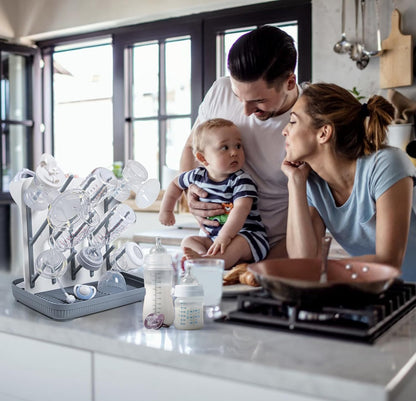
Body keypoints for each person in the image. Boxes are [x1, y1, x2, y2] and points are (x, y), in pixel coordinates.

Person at [179, 25, 299, 259]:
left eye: (259, 100)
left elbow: (315, 214)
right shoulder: (220, 90)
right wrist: (190, 192)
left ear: (290, 82)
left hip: (274, 250)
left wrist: (261, 269)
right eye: (238, 97)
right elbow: (190, 148)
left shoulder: (306, 120)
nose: (245, 111)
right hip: (215, 241)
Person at [281, 82, 416, 282]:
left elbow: (389, 261)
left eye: (293, 121)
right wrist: (295, 183)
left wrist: (324, 269)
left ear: (324, 133)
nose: (285, 130)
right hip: (371, 291)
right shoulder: (312, 182)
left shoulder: (386, 164)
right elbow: (304, 259)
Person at [160, 118, 269, 269]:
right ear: (203, 158)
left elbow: (241, 209)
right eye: (224, 147)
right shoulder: (196, 176)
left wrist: (225, 236)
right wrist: (166, 210)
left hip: (249, 237)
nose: (234, 152)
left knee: (238, 243)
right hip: (214, 239)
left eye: (238, 146)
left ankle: (210, 263)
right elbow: (175, 184)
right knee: (188, 241)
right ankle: (203, 257)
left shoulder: (241, 180)